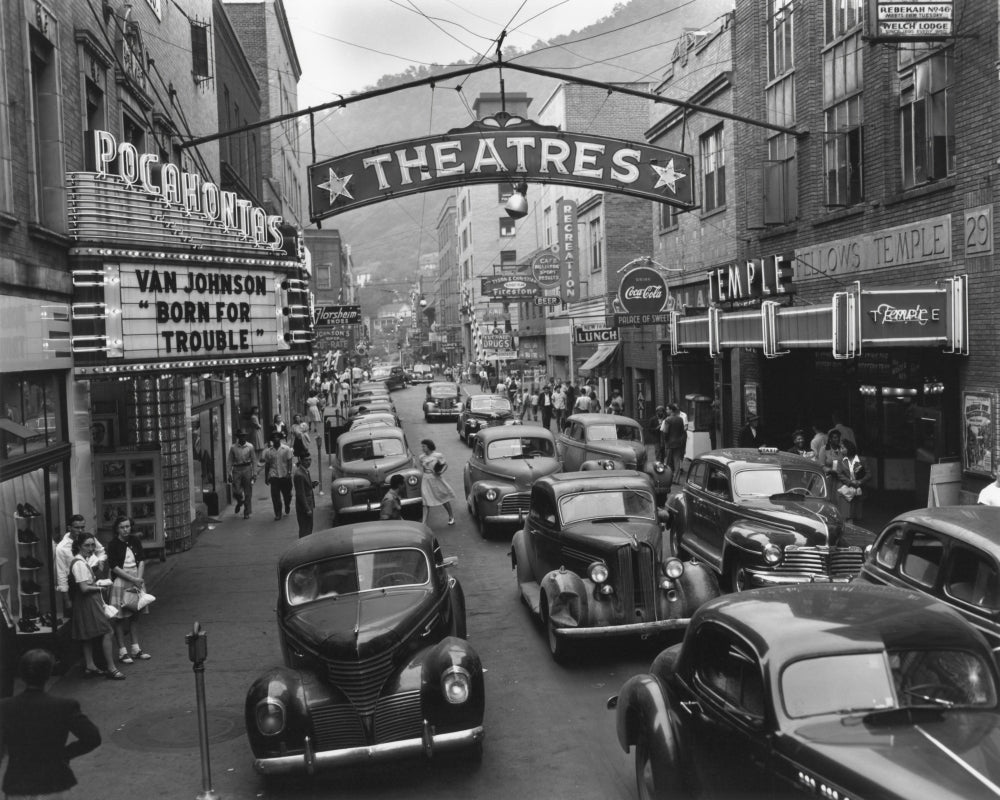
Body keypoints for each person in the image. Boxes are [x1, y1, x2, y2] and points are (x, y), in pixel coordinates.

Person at [0, 649, 102, 798]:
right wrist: (64, 754)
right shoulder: (64, 706)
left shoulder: (4, 707)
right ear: (48, 675)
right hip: (53, 781)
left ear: (22, 674)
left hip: (19, 782)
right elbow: (92, 737)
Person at [69, 532, 122, 680]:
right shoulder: (79, 563)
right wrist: (100, 587)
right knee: (107, 631)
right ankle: (111, 668)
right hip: (88, 601)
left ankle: (90, 664)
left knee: (87, 635)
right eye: (87, 545)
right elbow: (84, 588)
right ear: (79, 546)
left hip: (86, 601)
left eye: (92, 545)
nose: (91, 548)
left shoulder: (82, 561)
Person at [107, 516, 151, 666]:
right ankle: (122, 651)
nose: (126, 530)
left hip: (136, 579)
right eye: (122, 527)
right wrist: (133, 580)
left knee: (135, 615)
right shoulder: (113, 544)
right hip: (121, 581)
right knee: (119, 617)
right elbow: (114, 566)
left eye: (127, 526)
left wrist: (138, 579)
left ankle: (135, 648)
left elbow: (142, 560)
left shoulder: (134, 541)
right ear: (117, 529)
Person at [55, 515, 106, 614]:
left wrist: (101, 561)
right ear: (69, 528)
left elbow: (101, 551)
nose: (80, 530)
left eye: (83, 527)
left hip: (96, 575)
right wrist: (67, 600)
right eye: (77, 528)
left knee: (102, 610)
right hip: (79, 583)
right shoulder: (62, 548)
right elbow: (61, 574)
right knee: (85, 614)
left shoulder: (88, 537)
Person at [419, 439, 455, 525]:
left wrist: (440, 472)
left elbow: (445, 465)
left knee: (443, 497)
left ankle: (451, 516)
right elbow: (423, 468)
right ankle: (424, 523)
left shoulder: (438, 455)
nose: (422, 448)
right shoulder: (421, 457)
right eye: (422, 446)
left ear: (429, 446)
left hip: (436, 478)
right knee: (425, 501)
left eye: (424, 446)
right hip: (426, 479)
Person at [260, 432, 294, 520]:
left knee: (287, 495)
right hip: (274, 476)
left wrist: (289, 472)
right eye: (274, 437)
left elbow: (289, 462)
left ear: (280, 438)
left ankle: (287, 504)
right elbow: (267, 464)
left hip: (285, 475)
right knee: (275, 496)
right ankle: (278, 513)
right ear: (272, 440)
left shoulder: (286, 449)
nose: (276, 439)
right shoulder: (268, 451)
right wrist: (266, 477)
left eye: (277, 437)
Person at [832, 439, 869, 522]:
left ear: (849, 448)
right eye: (840, 448)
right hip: (844, 489)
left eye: (843, 448)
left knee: (853, 514)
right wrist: (850, 482)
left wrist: (860, 481)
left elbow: (868, 474)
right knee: (844, 514)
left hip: (857, 489)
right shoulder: (839, 460)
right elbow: (838, 474)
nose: (841, 450)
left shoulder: (862, 460)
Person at [228, 429, 258, 519]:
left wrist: (254, 473)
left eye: (243, 436)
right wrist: (229, 473)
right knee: (236, 491)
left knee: (248, 491)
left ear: (245, 436)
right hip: (236, 469)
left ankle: (247, 512)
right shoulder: (233, 447)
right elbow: (229, 461)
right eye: (240, 436)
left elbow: (254, 460)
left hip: (247, 469)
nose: (242, 437)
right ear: (238, 437)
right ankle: (240, 501)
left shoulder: (250, 447)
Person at [662, 404, 687, 482]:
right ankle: (677, 479)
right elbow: (682, 431)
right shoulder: (680, 419)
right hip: (678, 443)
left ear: (671, 410)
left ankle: (668, 478)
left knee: (668, 461)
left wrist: (665, 441)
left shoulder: (667, 420)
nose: (666, 411)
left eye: (667, 409)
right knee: (677, 461)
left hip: (670, 443)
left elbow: (665, 432)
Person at [293, 452, 316, 538]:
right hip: (304, 506)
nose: (309, 462)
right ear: (301, 461)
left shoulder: (305, 471)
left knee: (309, 527)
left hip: (309, 503)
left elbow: (305, 486)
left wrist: (312, 484)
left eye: (310, 460)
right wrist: (307, 509)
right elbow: (300, 494)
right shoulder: (299, 474)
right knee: (305, 528)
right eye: (306, 460)